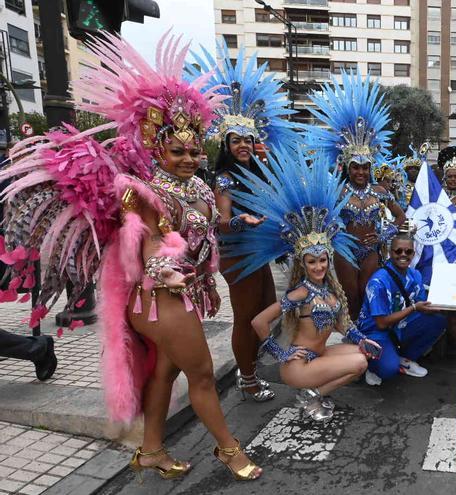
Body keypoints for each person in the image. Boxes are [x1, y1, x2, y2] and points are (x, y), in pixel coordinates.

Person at [0, 33, 262, 480]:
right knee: (200, 372)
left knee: (165, 371)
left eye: (195, 150)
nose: (188, 158)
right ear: (157, 147)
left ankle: (151, 450)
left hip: (186, 294)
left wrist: (234, 226)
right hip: (157, 297)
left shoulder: (199, 187)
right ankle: (229, 449)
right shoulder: (142, 192)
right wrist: (167, 271)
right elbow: (149, 244)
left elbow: (202, 230)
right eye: (177, 150)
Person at [186, 39, 298, 403]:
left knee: (266, 307)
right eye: (236, 141)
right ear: (227, 144)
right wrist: (241, 221)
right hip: (237, 255)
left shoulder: (256, 174)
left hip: (257, 254)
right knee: (247, 316)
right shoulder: (226, 179)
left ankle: (249, 366)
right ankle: (247, 379)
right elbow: (221, 221)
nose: (243, 145)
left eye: (248, 139)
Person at [237, 150, 378, 421]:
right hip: (298, 365)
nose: (318, 267)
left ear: (328, 259)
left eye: (322, 261)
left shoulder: (330, 290)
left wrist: (363, 339)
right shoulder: (300, 292)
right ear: (303, 263)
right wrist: (280, 351)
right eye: (312, 262)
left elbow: (342, 325)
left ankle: (314, 394)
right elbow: (258, 322)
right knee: (359, 363)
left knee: (362, 353)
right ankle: (311, 396)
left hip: (319, 355)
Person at [301, 70, 405, 321]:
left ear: (370, 167)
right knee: (350, 297)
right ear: (347, 167)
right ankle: (353, 339)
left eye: (365, 167)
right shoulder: (337, 192)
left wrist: (383, 234)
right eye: (355, 167)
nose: (360, 171)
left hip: (370, 251)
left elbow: (401, 217)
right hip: (345, 251)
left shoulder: (380, 192)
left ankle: (368, 339)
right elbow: (320, 217)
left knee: (367, 293)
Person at [358, 234, 446, 386]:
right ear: (390, 253)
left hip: (399, 324)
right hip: (374, 332)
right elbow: (381, 323)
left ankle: (404, 358)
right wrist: (413, 308)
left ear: (414, 253)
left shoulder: (415, 274)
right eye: (398, 251)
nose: (403, 255)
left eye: (408, 251)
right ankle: (373, 366)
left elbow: (421, 304)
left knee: (437, 321)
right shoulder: (378, 281)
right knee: (388, 371)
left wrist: (447, 304)